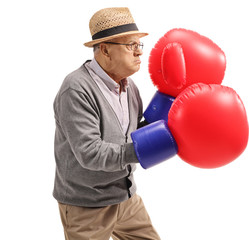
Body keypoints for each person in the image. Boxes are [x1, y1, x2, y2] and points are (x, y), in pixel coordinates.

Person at [53, 7, 161, 240]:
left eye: (139, 45)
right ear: (105, 50)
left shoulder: (130, 87)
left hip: (126, 197)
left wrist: (163, 122)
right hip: (87, 205)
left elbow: (129, 138)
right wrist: (148, 147)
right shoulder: (76, 89)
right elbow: (90, 153)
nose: (139, 53)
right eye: (130, 45)